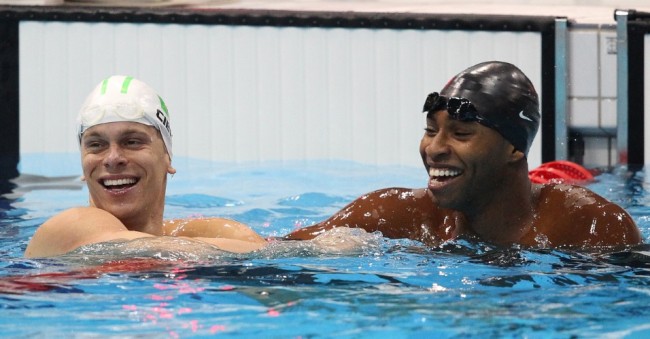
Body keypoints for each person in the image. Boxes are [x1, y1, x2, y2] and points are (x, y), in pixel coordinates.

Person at [285, 61, 643, 249]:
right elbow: (271, 253)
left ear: (514, 148)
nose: (435, 148)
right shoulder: (396, 216)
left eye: (461, 133)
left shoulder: (587, 226)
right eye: (430, 130)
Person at [25, 75, 267, 258]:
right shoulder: (72, 224)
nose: (113, 158)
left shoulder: (200, 233)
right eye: (96, 145)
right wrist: (289, 250)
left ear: (167, 157)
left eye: (132, 142)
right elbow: (140, 250)